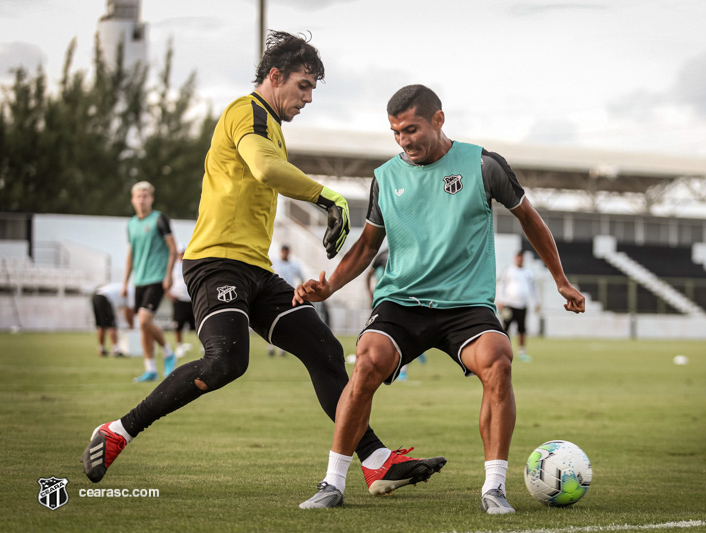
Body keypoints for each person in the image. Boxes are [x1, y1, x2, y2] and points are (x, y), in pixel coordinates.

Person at [81, 32, 445, 499]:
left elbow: (269, 169)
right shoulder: (246, 112)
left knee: (326, 351)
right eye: (304, 85)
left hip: (255, 270)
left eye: (313, 88)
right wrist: (327, 196)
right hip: (215, 264)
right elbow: (265, 169)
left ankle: (375, 461)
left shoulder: (271, 125)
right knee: (226, 361)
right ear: (275, 77)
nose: (308, 97)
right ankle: (117, 431)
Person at [294, 84, 585, 513]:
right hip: (402, 302)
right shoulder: (385, 177)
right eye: (395, 133)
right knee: (368, 359)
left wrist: (560, 279)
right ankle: (332, 483)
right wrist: (330, 286)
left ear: (438, 119)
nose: (404, 141)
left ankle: (494, 489)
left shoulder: (484, 165)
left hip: (466, 305)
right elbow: (366, 246)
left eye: (411, 129)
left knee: (499, 360)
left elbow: (530, 217)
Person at [122, 181, 177, 382]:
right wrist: (125, 282)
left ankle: (169, 352)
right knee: (143, 326)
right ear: (133, 200)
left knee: (144, 320)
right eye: (138, 196)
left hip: (157, 278)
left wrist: (169, 275)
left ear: (151, 198)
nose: (142, 199)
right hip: (140, 280)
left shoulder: (160, 219)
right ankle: (151, 369)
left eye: (145, 195)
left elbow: (172, 249)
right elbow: (131, 253)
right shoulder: (131, 224)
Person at [365, 249, 426, 381]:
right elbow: (369, 274)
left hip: (404, 299)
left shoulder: (409, 253)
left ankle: (402, 370)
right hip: (385, 299)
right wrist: (370, 294)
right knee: (377, 335)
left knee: (406, 334)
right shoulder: (382, 256)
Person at [496, 251, 540, 362]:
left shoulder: (528, 273)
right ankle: (502, 350)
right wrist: (500, 300)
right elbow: (501, 285)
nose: (519, 260)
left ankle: (522, 352)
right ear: (515, 258)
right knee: (505, 329)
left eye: (521, 258)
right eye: (518, 258)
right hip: (509, 304)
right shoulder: (508, 270)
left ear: (523, 259)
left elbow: (534, 288)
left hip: (522, 305)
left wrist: (536, 302)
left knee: (522, 330)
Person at [268, 244, 304, 356]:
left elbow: (301, 278)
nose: (285, 253)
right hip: (275, 294)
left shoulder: (294, 265)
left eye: (286, 251)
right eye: (283, 251)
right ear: (281, 252)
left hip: (289, 295)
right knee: (271, 321)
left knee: (285, 322)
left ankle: (282, 349)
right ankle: (270, 347)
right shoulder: (275, 263)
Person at [168, 244, 195, 358]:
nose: (182, 255)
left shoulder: (192, 265)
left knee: (197, 325)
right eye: (181, 253)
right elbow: (167, 282)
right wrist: (169, 294)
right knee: (178, 325)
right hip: (179, 299)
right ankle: (179, 347)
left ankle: (205, 347)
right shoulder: (173, 266)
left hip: (191, 300)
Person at [92, 282, 127, 357]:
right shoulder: (129, 291)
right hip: (105, 298)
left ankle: (101, 349)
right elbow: (128, 310)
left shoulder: (120, 287)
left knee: (101, 325)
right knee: (112, 325)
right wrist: (131, 326)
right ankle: (116, 350)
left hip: (95, 296)